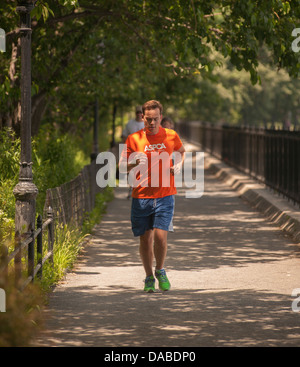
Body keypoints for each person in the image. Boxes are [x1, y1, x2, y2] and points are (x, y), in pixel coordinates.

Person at [119, 100, 185, 293]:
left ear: (161, 117)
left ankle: (160, 270)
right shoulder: (133, 139)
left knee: (160, 237)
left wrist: (179, 166)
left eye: (156, 119)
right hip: (141, 196)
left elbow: (181, 152)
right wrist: (133, 163)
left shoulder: (171, 135)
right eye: (148, 119)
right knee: (145, 239)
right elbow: (122, 166)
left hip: (165, 195)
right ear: (142, 118)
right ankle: (149, 277)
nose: (152, 123)